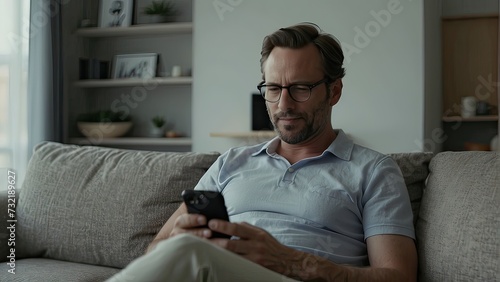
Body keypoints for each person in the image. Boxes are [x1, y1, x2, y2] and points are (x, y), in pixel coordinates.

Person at [107, 22, 417, 282]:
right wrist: (178, 236)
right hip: (211, 270)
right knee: (185, 248)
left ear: (333, 91)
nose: (284, 105)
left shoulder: (375, 171)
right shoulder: (231, 162)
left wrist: (294, 262)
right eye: (273, 88)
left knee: (191, 253)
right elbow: (156, 253)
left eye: (300, 88)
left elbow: (399, 276)